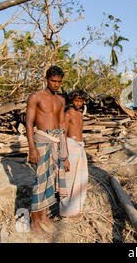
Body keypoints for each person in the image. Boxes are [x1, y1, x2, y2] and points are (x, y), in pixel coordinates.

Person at [25, 65, 70, 236]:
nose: (56, 84)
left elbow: (61, 125)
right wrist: (32, 148)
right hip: (42, 141)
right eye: (53, 81)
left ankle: (43, 217)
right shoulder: (35, 97)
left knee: (51, 181)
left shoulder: (61, 100)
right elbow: (29, 123)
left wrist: (64, 155)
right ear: (46, 79)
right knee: (40, 182)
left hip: (56, 142)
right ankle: (34, 222)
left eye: (59, 82)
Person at [59, 89, 88, 219]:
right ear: (72, 100)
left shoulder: (80, 115)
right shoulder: (68, 114)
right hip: (70, 147)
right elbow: (63, 134)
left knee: (79, 180)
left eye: (81, 101)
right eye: (77, 100)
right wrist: (64, 156)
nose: (79, 103)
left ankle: (75, 209)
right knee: (69, 180)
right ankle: (66, 211)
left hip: (80, 148)